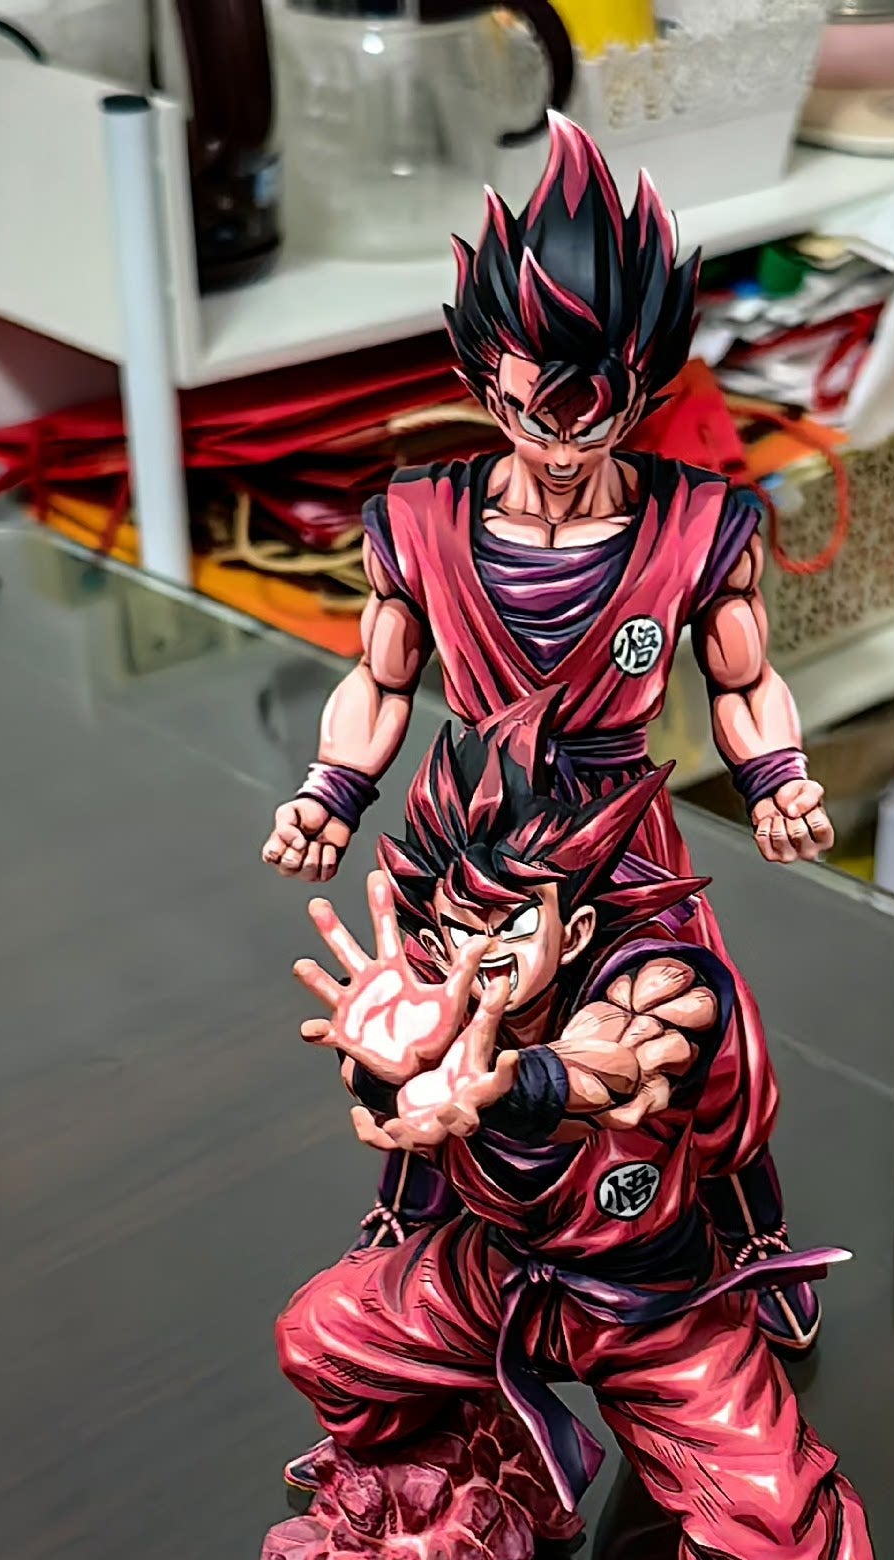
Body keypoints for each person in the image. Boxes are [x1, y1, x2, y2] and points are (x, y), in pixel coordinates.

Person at [260, 697, 894, 1560]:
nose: (478, 956)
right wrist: (389, 1072)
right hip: (501, 1283)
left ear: (576, 904)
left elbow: (619, 1067)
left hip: (658, 1313)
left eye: (509, 924)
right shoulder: (430, 977)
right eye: (455, 926)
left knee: (777, 1525)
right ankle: (448, 1468)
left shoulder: (662, 976)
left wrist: (503, 1081)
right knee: (328, 1334)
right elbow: (397, 1076)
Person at [262, 115, 828, 1359]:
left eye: (593, 413)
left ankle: (746, 1226)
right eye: (535, 411)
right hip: (471, 823)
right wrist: (330, 790)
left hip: (620, 829)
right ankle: (414, 1217)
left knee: (706, 1040)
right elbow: (380, 679)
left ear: (642, 387)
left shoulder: (698, 522)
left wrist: (778, 778)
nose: (563, 445)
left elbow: (744, 679)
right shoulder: (420, 519)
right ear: (488, 382)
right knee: (427, 1019)